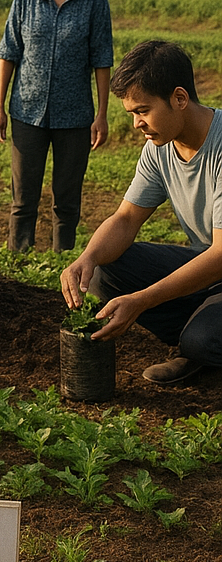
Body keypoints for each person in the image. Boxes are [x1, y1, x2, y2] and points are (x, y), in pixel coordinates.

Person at [61, 40, 222, 385]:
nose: (137, 124)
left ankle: (201, 343)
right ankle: (202, 336)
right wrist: (86, 258)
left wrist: (143, 300)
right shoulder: (159, 147)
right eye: (132, 114)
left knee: (202, 338)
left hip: (219, 264)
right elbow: (126, 218)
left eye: (143, 110)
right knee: (106, 271)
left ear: (179, 99)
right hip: (212, 274)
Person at [0, 0, 114, 252]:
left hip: (75, 116)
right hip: (26, 112)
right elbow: (8, 53)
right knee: (23, 197)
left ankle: (65, 262)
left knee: (67, 198)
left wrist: (101, 114)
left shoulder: (94, 2)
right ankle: (19, 260)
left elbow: (102, 60)